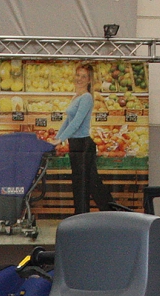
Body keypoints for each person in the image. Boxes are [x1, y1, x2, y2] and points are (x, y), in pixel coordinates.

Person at [50, 64, 114, 215]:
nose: (79, 79)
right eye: (78, 75)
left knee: (84, 185)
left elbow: (77, 123)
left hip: (83, 145)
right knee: (89, 184)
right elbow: (68, 121)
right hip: (76, 145)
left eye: (83, 76)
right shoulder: (76, 97)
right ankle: (109, 213)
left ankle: (90, 215)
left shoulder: (86, 98)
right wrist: (58, 138)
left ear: (89, 80)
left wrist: (61, 139)